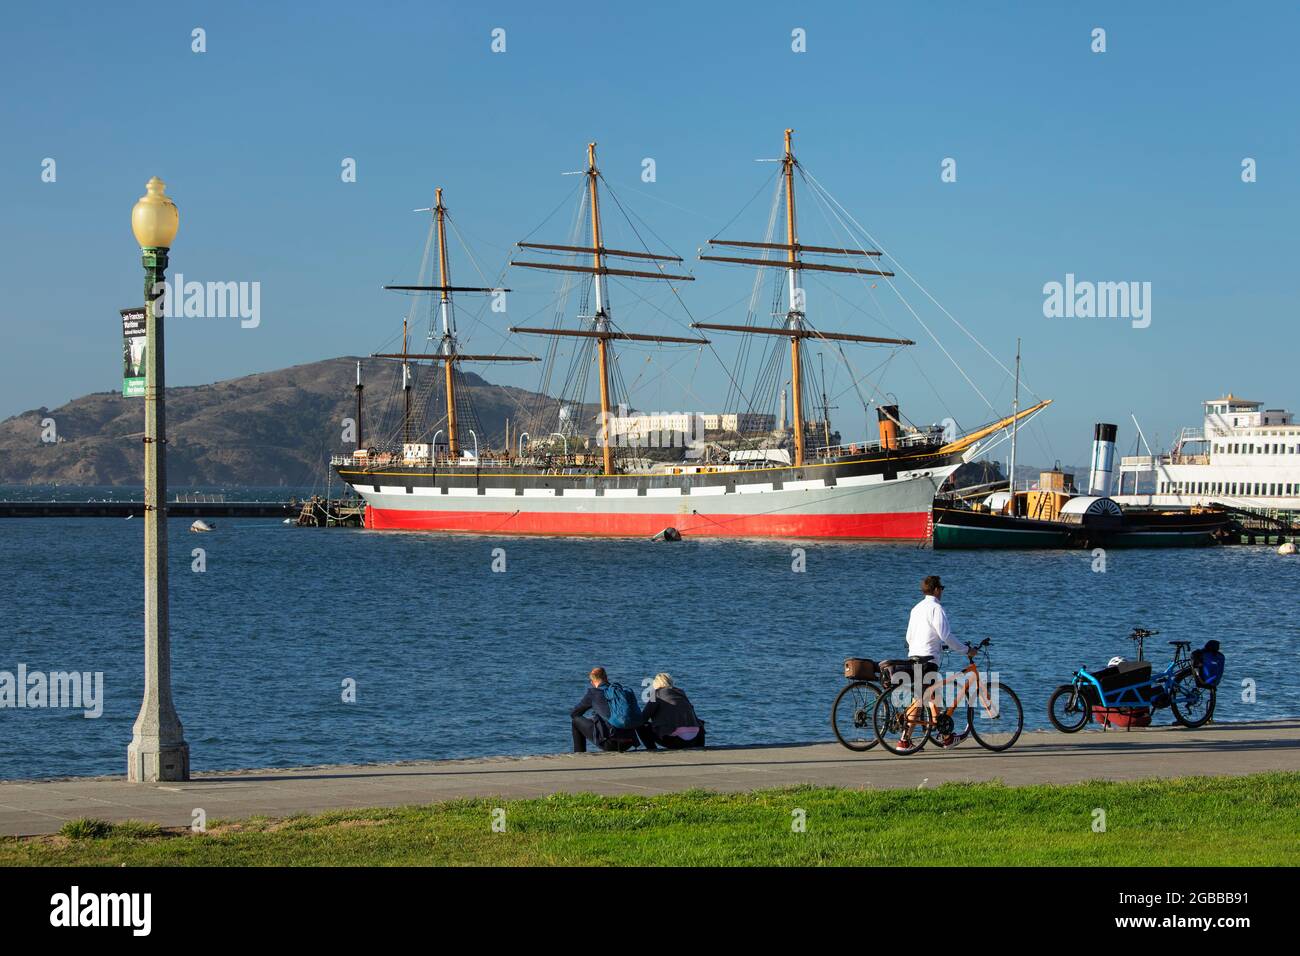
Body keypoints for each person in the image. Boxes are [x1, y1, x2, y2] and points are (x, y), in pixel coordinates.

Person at [899, 575, 973, 750]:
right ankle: (940, 738)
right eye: (942, 588)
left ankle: (938, 736)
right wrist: (965, 650)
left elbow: (909, 637)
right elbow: (945, 635)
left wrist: (936, 645)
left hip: (913, 657)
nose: (942, 592)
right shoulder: (936, 608)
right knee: (923, 698)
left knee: (929, 697)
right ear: (937, 589)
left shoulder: (916, 608)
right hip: (928, 660)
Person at [570, 667, 637, 753]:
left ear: (592, 682)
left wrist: (593, 718)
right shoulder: (620, 691)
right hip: (629, 742)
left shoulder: (594, 693)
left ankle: (579, 753)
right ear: (606, 678)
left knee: (576, 721)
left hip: (610, 743)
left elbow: (574, 713)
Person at [636, 674, 705, 751]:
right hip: (694, 740)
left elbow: (644, 717)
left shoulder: (655, 694)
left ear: (656, 683)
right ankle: (700, 746)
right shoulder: (681, 692)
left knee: (640, 725)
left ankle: (652, 749)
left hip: (674, 740)